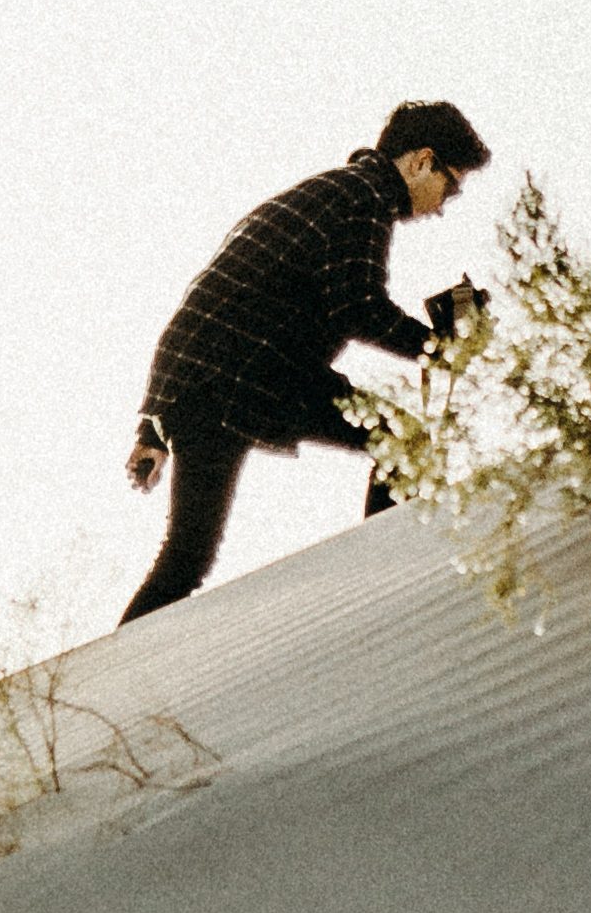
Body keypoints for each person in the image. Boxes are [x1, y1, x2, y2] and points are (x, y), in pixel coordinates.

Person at [119, 101, 489, 624]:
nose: (445, 204)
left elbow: (200, 302)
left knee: (185, 558)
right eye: (450, 185)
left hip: (216, 382)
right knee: (401, 440)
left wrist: (154, 423)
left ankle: (107, 675)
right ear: (421, 161)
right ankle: (389, 591)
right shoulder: (363, 199)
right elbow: (357, 305)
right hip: (260, 377)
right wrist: (437, 349)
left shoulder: (334, 191)